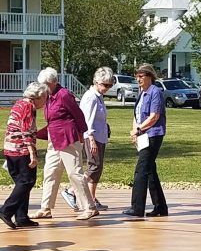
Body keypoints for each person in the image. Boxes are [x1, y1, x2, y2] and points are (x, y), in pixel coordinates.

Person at [32, 67, 97, 221]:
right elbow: (51, 121)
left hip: (68, 139)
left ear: (52, 82)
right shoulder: (48, 96)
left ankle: (90, 207)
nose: (43, 87)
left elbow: (79, 116)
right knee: (50, 172)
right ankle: (45, 208)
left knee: (75, 173)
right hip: (53, 140)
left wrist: (82, 135)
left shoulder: (64, 95)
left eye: (45, 84)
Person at [0, 82, 48, 229]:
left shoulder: (19, 103)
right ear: (37, 97)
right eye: (45, 97)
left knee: (21, 183)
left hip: (10, 149)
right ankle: (5, 211)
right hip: (21, 150)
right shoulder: (28, 106)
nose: (46, 101)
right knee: (27, 181)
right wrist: (32, 154)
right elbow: (26, 132)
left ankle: (21, 217)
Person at [63, 67, 114, 212]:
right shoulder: (91, 97)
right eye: (105, 85)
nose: (107, 88)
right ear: (96, 82)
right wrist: (91, 139)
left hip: (100, 136)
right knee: (94, 167)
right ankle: (71, 191)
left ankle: (92, 197)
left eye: (110, 85)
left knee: (97, 168)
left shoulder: (98, 96)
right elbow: (86, 119)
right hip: (92, 137)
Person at [123, 63, 168, 217]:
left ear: (150, 76)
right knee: (150, 171)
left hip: (153, 135)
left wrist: (139, 129)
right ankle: (160, 207)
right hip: (143, 135)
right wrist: (135, 132)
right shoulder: (142, 93)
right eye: (137, 76)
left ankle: (137, 208)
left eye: (141, 76)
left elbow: (154, 116)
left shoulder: (155, 92)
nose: (138, 79)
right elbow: (137, 115)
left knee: (141, 169)